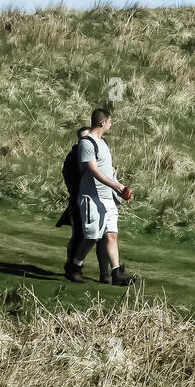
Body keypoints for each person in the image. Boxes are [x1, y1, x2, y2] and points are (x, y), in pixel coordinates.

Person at [65, 108, 137, 285]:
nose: (111, 125)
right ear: (102, 122)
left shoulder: (103, 143)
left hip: (107, 198)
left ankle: (116, 272)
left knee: (111, 235)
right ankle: (75, 266)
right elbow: (92, 169)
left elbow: (107, 170)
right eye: (110, 122)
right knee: (92, 237)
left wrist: (119, 188)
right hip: (91, 197)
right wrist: (115, 185)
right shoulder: (87, 144)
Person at [56, 126, 112, 282]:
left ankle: (105, 273)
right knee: (81, 235)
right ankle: (72, 268)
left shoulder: (101, 151)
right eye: (82, 139)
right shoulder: (73, 158)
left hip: (100, 199)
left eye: (87, 138)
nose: (84, 142)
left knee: (104, 236)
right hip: (80, 200)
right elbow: (72, 182)